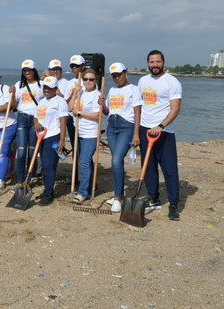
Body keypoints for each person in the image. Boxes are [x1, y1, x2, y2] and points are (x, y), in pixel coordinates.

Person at [137, 50, 182, 221]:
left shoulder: (172, 82)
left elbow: (175, 108)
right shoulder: (143, 80)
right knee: (148, 167)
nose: (155, 65)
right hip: (145, 130)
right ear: (147, 63)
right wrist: (138, 130)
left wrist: (161, 125)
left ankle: (173, 205)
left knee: (169, 170)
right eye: (151, 62)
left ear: (163, 62)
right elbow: (140, 106)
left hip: (165, 132)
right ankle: (153, 198)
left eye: (158, 61)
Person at [99, 62, 142, 212]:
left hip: (126, 127)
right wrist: (102, 105)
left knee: (116, 160)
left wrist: (136, 134)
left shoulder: (134, 89)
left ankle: (117, 198)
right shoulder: (111, 90)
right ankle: (120, 193)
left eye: (119, 74)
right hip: (112, 126)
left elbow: (137, 113)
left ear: (126, 73)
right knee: (116, 161)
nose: (117, 78)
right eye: (114, 76)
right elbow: (107, 112)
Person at [33, 76, 68, 206]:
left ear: (55, 88)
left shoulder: (60, 101)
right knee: (44, 165)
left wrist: (62, 140)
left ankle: (49, 194)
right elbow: (36, 117)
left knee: (49, 166)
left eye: (50, 88)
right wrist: (36, 123)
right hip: (41, 137)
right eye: (45, 87)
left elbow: (63, 121)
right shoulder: (42, 101)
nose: (47, 90)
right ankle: (47, 190)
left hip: (53, 136)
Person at [68, 68, 101, 203]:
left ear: (95, 81)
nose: (88, 81)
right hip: (78, 132)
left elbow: (98, 115)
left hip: (90, 134)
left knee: (83, 162)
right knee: (85, 161)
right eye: (85, 79)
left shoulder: (97, 95)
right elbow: (70, 108)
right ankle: (91, 185)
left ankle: (83, 192)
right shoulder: (80, 93)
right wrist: (75, 93)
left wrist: (80, 113)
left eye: (91, 79)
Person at [13, 59, 43, 186]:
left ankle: (30, 178)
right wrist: (12, 94)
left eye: (29, 70)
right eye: (25, 70)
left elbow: (45, 103)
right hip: (21, 119)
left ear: (34, 70)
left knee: (32, 152)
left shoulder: (41, 85)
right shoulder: (18, 85)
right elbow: (14, 106)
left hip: (35, 120)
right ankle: (20, 180)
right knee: (21, 153)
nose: (27, 72)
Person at [66, 55, 86, 150]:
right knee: (75, 146)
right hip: (71, 116)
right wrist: (73, 94)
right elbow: (66, 102)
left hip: (83, 116)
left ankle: (85, 164)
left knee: (84, 145)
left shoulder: (88, 81)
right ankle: (77, 163)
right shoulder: (69, 83)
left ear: (82, 66)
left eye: (76, 65)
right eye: (72, 65)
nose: (74, 67)